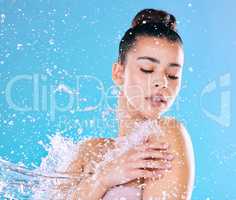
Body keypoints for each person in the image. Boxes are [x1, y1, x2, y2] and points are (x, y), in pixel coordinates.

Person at [57, 8, 195, 200]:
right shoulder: (89, 151)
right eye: (147, 69)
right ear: (119, 73)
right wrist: (103, 178)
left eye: (173, 75)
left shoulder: (166, 135)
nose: (163, 82)